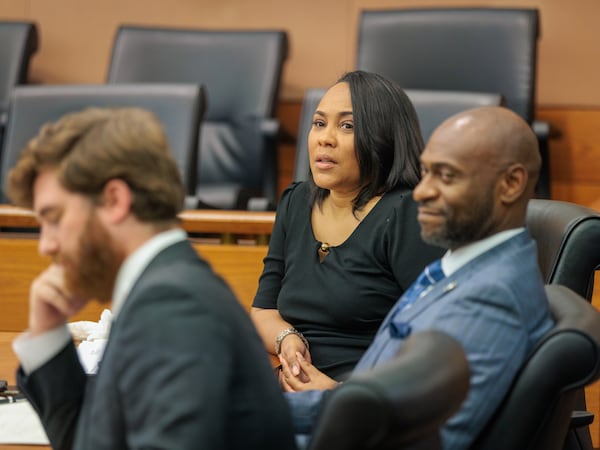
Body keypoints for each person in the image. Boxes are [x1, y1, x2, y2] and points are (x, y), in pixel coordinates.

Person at [6, 107, 297, 450]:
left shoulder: (174, 308)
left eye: (54, 218)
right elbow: (89, 439)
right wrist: (48, 332)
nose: (46, 245)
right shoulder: (163, 289)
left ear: (114, 200)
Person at [281, 106, 555, 450]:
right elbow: (385, 405)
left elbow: (430, 439)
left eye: (447, 176)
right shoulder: (460, 266)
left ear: (511, 184)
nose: (422, 192)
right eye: (425, 173)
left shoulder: (491, 298)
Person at [251, 70, 444, 382]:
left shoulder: (407, 213)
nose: (325, 138)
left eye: (347, 126)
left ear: (383, 139)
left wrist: (337, 393)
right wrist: (286, 339)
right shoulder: (296, 201)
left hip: (366, 397)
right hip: (291, 384)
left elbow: (436, 338)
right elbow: (263, 310)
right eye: (319, 123)